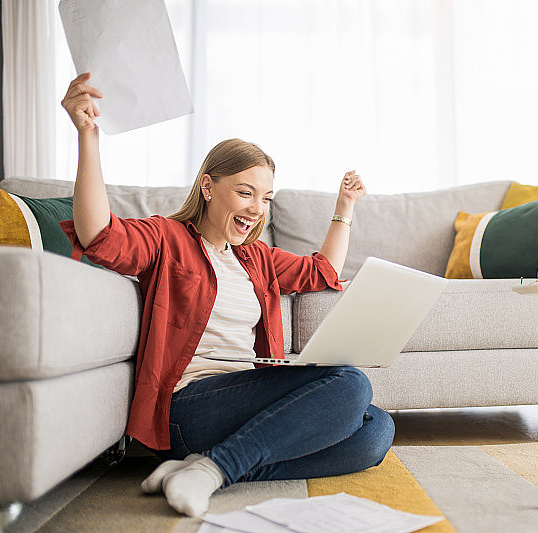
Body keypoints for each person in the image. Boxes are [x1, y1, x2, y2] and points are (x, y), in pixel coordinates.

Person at [60, 73, 395, 517]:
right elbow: (100, 234)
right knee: (351, 383)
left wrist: (345, 207)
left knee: (376, 430)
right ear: (207, 186)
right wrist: (88, 136)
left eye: (266, 197)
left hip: (247, 402)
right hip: (192, 407)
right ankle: (213, 468)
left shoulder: (255, 258)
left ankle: (206, 467)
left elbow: (323, 272)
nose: (257, 208)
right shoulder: (168, 237)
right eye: (245, 192)